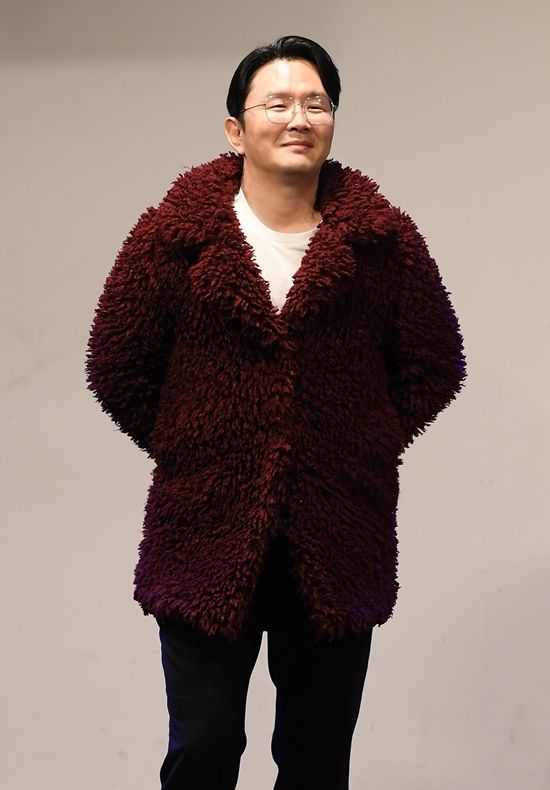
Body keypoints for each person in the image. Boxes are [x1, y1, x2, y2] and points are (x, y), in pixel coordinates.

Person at [86, 34, 466, 790]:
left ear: (333, 121)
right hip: (206, 529)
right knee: (204, 746)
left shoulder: (382, 244)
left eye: (316, 104)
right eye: (279, 103)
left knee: (318, 756)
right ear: (236, 128)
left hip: (338, 529)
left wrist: (358, 444)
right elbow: (117, 364)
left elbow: (434, 363)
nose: (299, 119)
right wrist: (198, 445)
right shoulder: (174, 239)